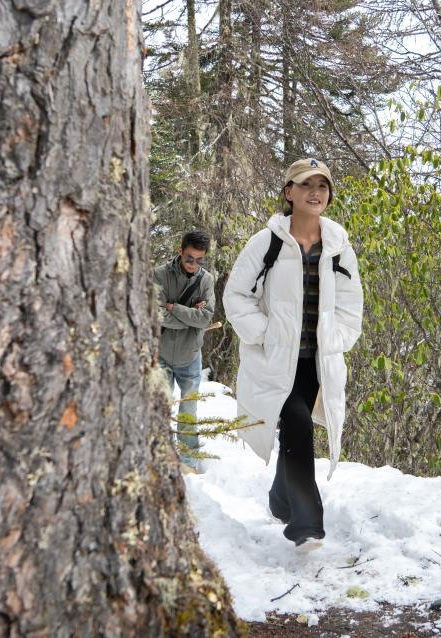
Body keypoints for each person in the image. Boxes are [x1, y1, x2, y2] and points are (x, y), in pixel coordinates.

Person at [223, 158, 364, 549]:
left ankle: (281, 498)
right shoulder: (266, 242)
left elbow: (352, 303)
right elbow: (235, 296)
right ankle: (306, 523)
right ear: (289, 193)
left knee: (296, 429)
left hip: (317, 363)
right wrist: (264, 334)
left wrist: (338, 339)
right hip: (274, 361)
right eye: (306, 185)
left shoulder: (338, 245)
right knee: (299, 426)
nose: (315, 192)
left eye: (322, 185)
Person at [154, 229, 216, 471]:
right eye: (189, 258)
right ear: (180, 251)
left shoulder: (206, 280)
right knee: (160, 407)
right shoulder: (159, 275)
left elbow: (205, 318)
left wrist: (174, 308)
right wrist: (190, 313)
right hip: (161, 353)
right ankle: (159, 455)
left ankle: (189, 459)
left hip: (190, 355)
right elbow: (155, 313)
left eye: (200, 260)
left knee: (189, 408)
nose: (194, 264)